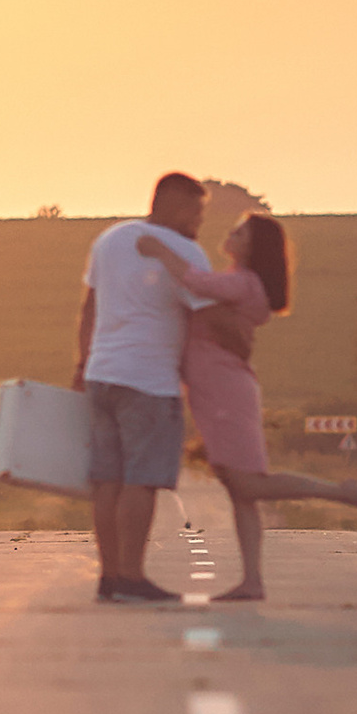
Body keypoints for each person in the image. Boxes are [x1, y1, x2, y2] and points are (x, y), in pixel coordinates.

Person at [136, 208, 357, 601]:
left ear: (253, 247)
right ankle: (252, 581)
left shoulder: (244, 283)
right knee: (241, 491)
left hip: (224, 391)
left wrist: (159, 251)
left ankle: (341, 492)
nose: (230, 235)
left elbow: (195, 281)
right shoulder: (240, 281)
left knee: (249, 483)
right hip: (215, 389)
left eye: (240, 232)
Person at [73, 171, 209, 602]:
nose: (198, 221)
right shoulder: (187, 253)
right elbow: (204, 317)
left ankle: (109, 578)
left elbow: (89, 307)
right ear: (174, 206)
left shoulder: (109, 239)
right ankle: (133, 577)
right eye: (195, 210)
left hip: (102, 374)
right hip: (149, 380)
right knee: (140, 481)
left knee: (106, 482)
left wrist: (83, 362)